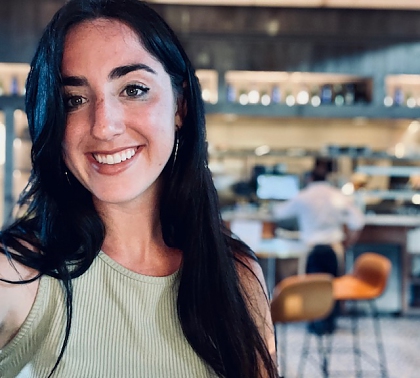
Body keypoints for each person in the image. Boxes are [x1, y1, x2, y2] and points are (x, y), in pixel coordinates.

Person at [0, 1, 278, 377]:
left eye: (133, 89)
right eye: (74, 100)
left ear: (179, 106)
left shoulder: (238, 275)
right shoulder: (19, 274)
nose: (104, 126)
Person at [272, 167, 365, 333]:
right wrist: (350, 240)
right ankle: (329, 324)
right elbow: (358, 221)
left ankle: (314, 323)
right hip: (334, 249)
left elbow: (278, 213)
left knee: (311, 288)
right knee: (332, 288)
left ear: (310, 179)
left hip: (311, 250)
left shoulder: (303, 196)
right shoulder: (338, 195)